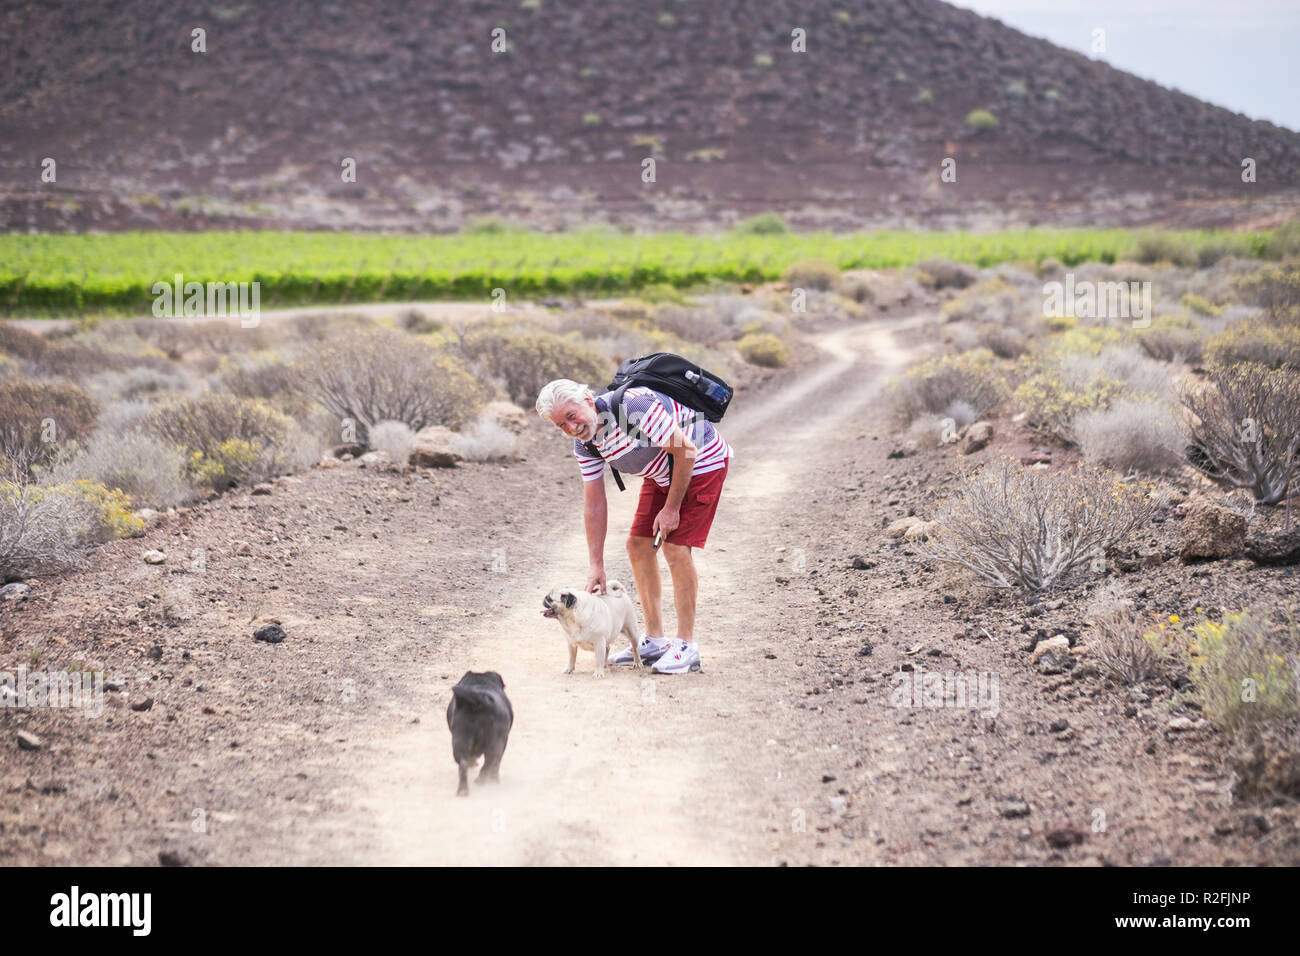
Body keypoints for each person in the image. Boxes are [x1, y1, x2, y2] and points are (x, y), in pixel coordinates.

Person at [535, 378, 732, 674]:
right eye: (561, 425)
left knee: (676, 547)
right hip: (663, 471)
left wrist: (672, 508)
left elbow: (686, 450)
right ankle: (653, 641)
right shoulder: (586, 445)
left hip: (702, 460)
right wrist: (596, 565)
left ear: (588, 401)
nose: (571, 428)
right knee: (638, 545)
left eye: (572, 416)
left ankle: (687, 647)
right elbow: (595, 504)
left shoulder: (634, 407)